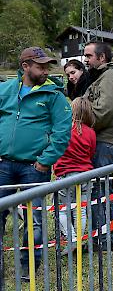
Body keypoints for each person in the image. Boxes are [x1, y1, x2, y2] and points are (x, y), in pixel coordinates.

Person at [0, 47, 72, 278]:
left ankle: (29, 265)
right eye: (40, 66)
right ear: (25, 67)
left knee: (35, 218)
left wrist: (45, 161)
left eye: (46, 66)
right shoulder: (6, 90)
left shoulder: (54, 95)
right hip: (3, 165)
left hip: (34, 168)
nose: (45, 71)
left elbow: (63, 132)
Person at [83, 41, 113, 248]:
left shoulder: (110, 77)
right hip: (101, 141)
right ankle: (102, 237)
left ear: (102, 58)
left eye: (89, 56)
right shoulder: (100, 78)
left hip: (109, 142)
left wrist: (79, 124)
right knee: (99, 192)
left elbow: (103, 112)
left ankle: (111, 239)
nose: (85, 60)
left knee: (108, 192)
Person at [53, 97, 96, 254]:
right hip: (85, 175)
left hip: (65, 175)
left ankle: (71, 239)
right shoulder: (91, 133)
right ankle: (78, 239)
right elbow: (91, 153)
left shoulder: (64, 129)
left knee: (62, 210)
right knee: (81, 210)